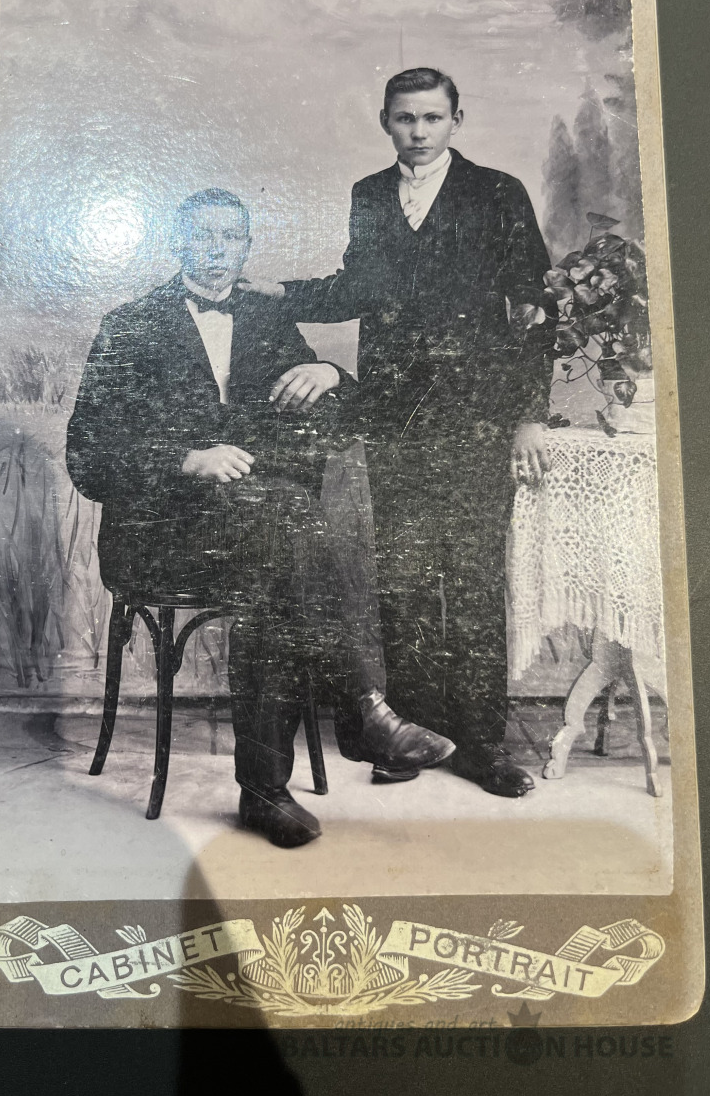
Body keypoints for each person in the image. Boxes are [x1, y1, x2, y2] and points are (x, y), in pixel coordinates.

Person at [66, 188, 452, 849]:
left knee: (280, 555)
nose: (217, 249)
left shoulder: (267, 321)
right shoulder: (130, 324)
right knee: (290, 532)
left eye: (232, 237)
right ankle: (357, 715)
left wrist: (331, 373)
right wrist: (188, 460)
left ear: (247, 247)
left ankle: (268, 790)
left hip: (260, 532)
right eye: (203, 235)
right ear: (177, 242)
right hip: (162, 534)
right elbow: (88, 454)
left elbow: (344, 418)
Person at [268, 68, 558, 798]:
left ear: (457, 120)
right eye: (405, 118)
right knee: (403, 580)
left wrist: (528, 416)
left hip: (477, 420)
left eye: (432, 117)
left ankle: (482, 746)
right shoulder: (370, 194)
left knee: (472, 580)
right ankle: (415, 735)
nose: (419, 131)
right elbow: (356, 287)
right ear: (385, 122)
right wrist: (277, 292)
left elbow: (535, 307)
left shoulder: (497, 193)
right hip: (395, 421)